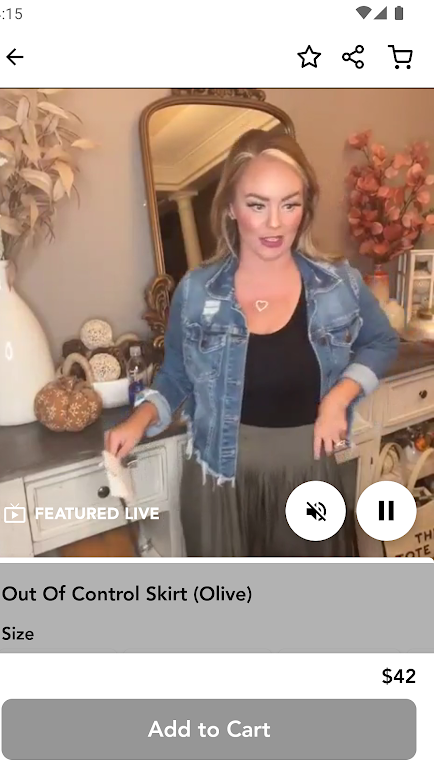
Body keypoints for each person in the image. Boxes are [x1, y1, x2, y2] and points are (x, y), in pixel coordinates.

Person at [105, 129, 399, 557]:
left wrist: (339, 398)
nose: (275, 223)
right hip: (219, 481)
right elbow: (177, 375)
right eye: (257, 205)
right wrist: (139, 420)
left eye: (289, 204)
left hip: (307, 475)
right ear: (230, 207)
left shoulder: (339, 284)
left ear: (305, 207)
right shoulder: (197, 290)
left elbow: (381, 341)